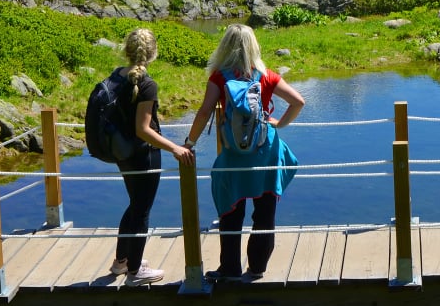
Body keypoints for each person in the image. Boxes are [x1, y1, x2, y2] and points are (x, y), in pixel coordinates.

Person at [186, 23, 304, 281]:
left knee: (231, 210)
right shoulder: (266, 76)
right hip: (266, 151)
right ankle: (257, 268)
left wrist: (189, 142)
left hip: (234, 154)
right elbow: (298, 101)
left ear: (225, 46)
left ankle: (229, 268)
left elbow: (204, 112)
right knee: (265, 212)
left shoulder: (219, 77)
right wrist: (279, 124)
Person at [110, 27, 192, 285]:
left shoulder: (116, 76)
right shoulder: (146, 84)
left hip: (121, 152)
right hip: (143, 155)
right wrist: (175, 148)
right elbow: (143, 129)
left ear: (126, 50)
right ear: (153, 53)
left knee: (134, 204)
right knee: (142, 210)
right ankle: (135, 272)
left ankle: (121, 262)